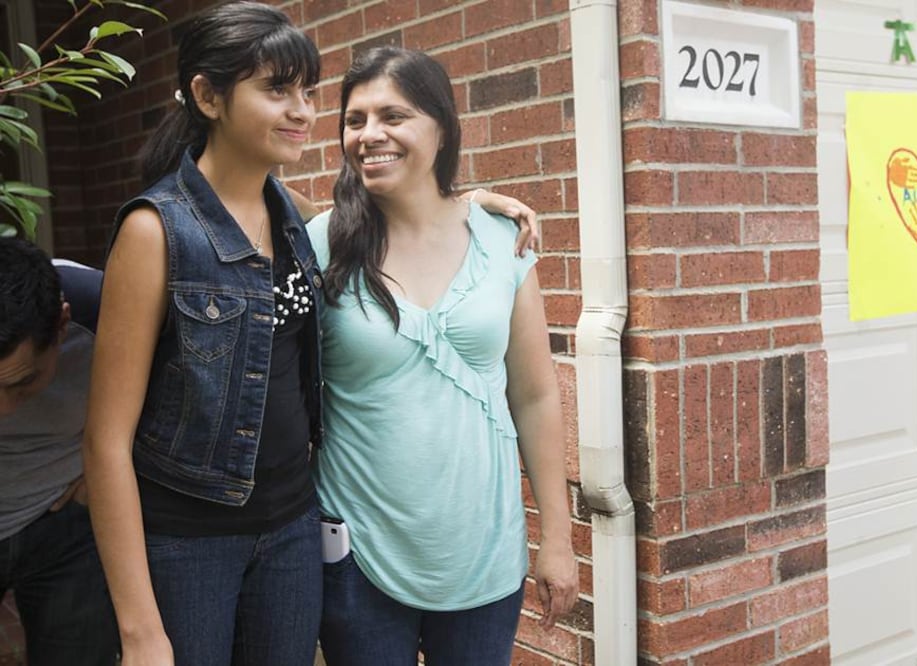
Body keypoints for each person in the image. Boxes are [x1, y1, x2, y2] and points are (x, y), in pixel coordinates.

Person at [82, 5, 537, 666]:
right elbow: (104, 441)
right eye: (276, 90)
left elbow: (395, 211)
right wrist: (137, 628)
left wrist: (467, 202)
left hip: (294, 530)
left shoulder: (293, 220)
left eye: (307, 92)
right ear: (208, 96)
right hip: (190, 541)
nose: (302, 110)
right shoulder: (155, 232)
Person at [309, 46, 578, 666]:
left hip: (483, 554)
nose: (370, 134)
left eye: (393, 116)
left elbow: (535, 396)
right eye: (355, 119)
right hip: (359, 561)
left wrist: (557, 538)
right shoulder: (322, 243)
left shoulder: (501, 239)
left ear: (441, 127)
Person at [0, 238, 118, 666]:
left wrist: (110, 469)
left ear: (62, 325)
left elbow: (183, 395)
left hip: (65, 528)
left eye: (20, 383)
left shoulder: (106, 308)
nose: (3, 411)